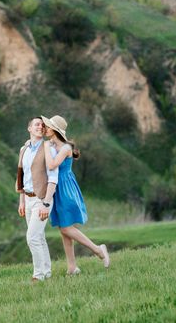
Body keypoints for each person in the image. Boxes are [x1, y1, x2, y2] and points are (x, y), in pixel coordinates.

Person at [41, 115, 110, 275]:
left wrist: (45, 147)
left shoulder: (65, 148)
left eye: (48, 126)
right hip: (58, 189)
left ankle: (98, 250)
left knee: (66, 228)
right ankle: (72, 267)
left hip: (66, 189)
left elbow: (51, 165)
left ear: (55, 130)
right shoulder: (52, 144)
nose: (45, 128)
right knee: (64, 229)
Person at [16, 116, 59, 282]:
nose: (40, 126)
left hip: (42, 199)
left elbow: (53, 178)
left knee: (32, 237)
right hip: (27, 199)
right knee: (39, 237)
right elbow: (21, 176)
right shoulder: (24, 149)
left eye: (42, 125)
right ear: (29, 128)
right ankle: (47, 272)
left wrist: (46, 203)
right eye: (36, 124)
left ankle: (38, 275)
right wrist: (22, 200)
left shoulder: (49, 149)